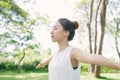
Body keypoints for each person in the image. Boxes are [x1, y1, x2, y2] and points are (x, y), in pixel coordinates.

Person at [36, 18, 120, 80]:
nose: (51, 31)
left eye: (55, 28)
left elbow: (92, 58)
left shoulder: (72, 52)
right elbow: (46, 60)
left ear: (66, 32)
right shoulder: (55, 54)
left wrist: (117, 65)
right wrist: (41, 64)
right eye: (52, 29)